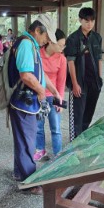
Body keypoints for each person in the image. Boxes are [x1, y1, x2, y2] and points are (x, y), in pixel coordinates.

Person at [8, 14, 60, 194]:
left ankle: (19, 172)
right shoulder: (26, 44)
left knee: (23, 140)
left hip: (26, 102)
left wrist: (53, 90)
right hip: (23, 102)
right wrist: (40, 92)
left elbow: (39, 73)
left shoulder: (32, 44)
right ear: (38, 31)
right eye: (46, 37)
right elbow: (26, 75)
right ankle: (28, 182)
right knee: (27, 142)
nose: (47, 41)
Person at [64, 7, 103, 141]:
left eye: (92, 21)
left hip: (94, 82)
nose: (89, 24)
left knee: (89, 113)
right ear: (80, 20)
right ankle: (74, 143)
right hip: (79, 82)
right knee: (77, 115)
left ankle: (83, 140)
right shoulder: (73, 39)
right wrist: (75, 84)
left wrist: (100, 79)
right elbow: (70, 62)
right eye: (86, 21)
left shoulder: (97, 37)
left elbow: (99, 59)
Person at [34, 29, 67, 161]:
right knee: (38, 127)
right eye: (60, 45)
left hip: (54, 97)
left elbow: (61, 81)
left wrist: (60, 100)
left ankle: (58, 153)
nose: (62, 48)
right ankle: (40, 150)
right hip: (39, 95)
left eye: (64, 45)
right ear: (50, 42)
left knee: (56, 128)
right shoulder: (37, 54)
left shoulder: (62, 59)